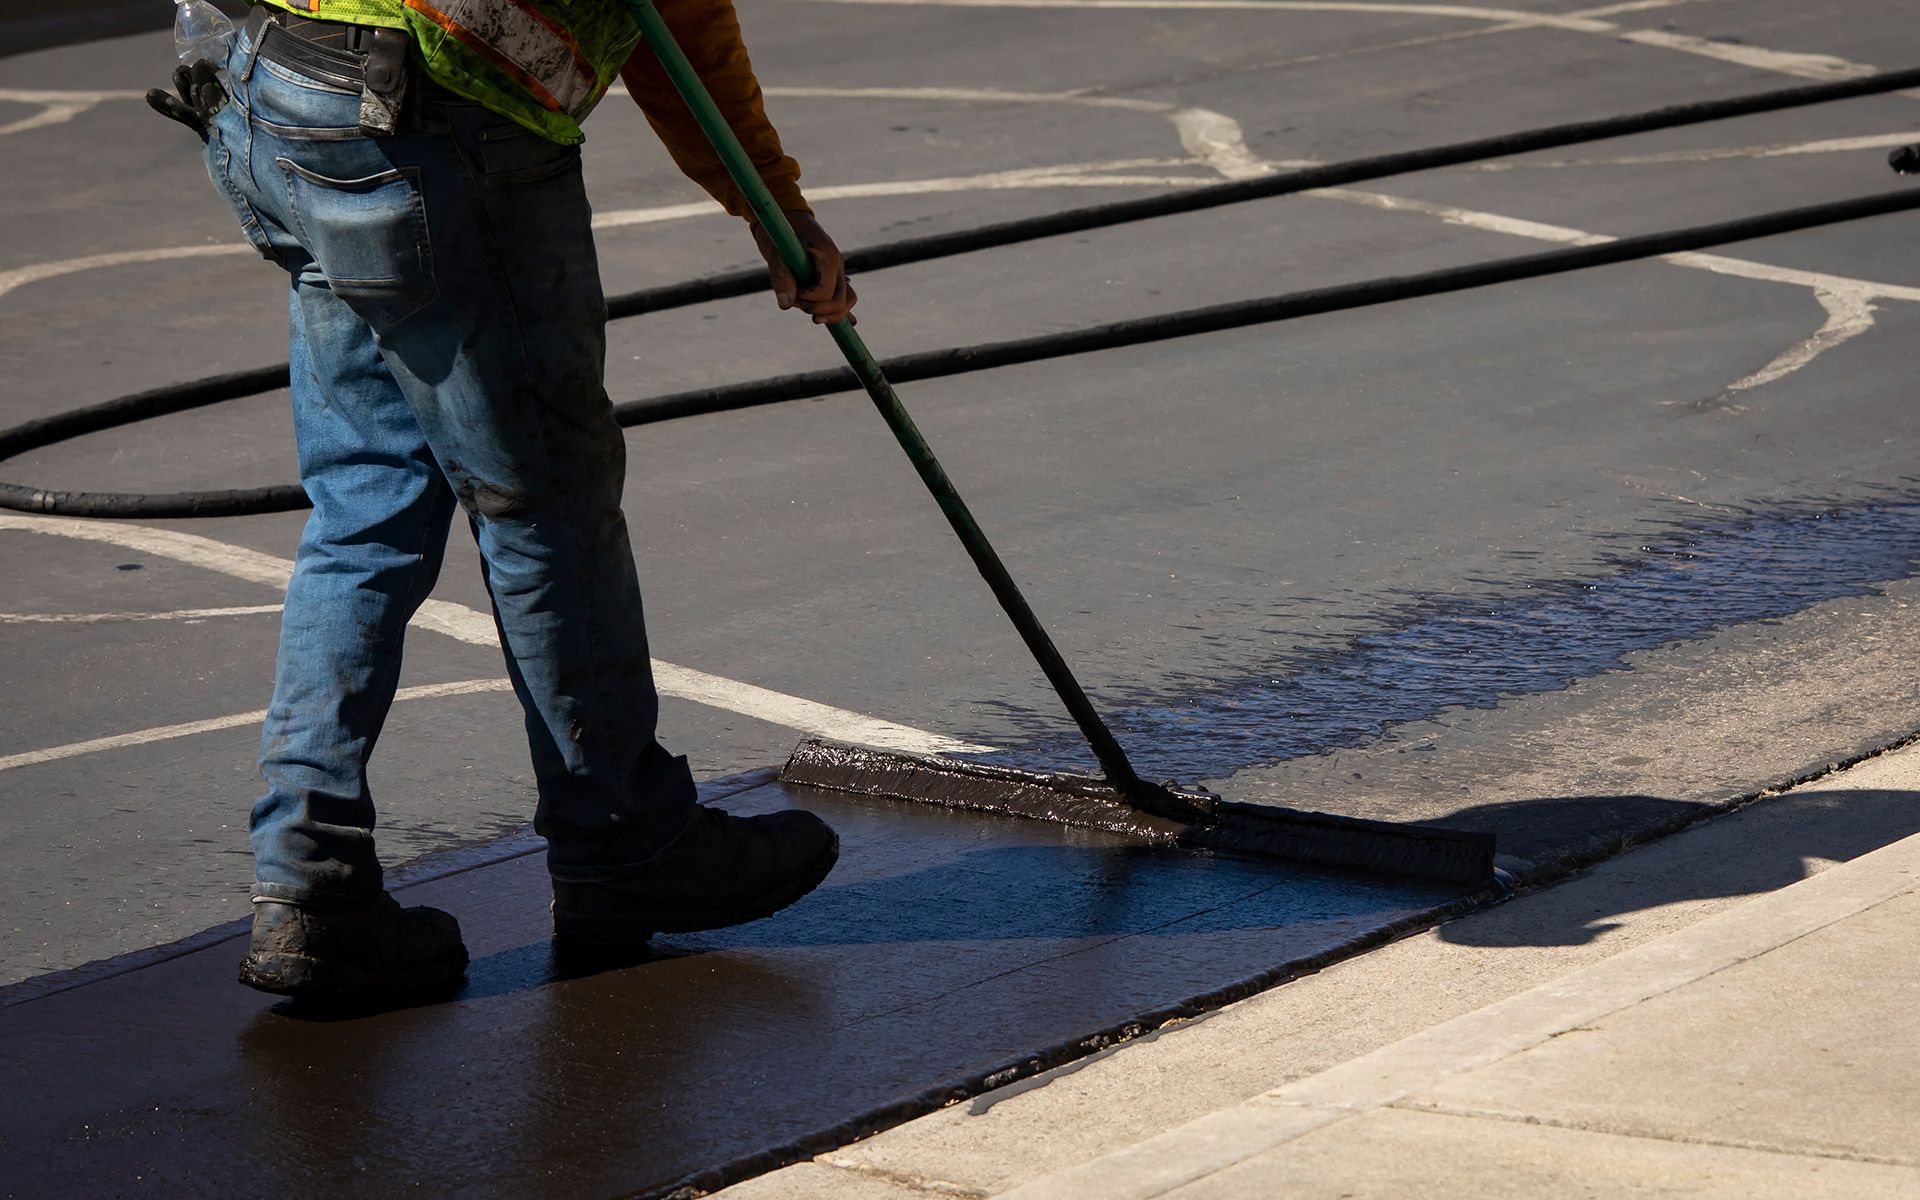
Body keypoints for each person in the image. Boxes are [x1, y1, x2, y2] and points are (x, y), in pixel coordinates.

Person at [148, 0, 852, 999]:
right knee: (544, 503)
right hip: (439, 119)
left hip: (277, 84)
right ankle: (624, 843)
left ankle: (310, 883)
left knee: (365, 505)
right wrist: (775, 206)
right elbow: (681, 20)